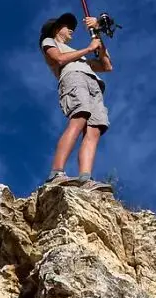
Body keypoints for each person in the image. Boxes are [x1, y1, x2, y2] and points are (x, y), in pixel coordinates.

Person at [39, 12, 113, 188]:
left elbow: (106, 65)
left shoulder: (82, 57)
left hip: (93, 84)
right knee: (79, 118)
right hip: (73, 78)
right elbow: (59, 58)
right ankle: (56, 172)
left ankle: (85, 178)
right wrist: (88, 48)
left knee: (94, 129)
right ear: (57, 29)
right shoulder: (49, 42)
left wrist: (97, 34)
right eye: (67, 26)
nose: (71, 29)